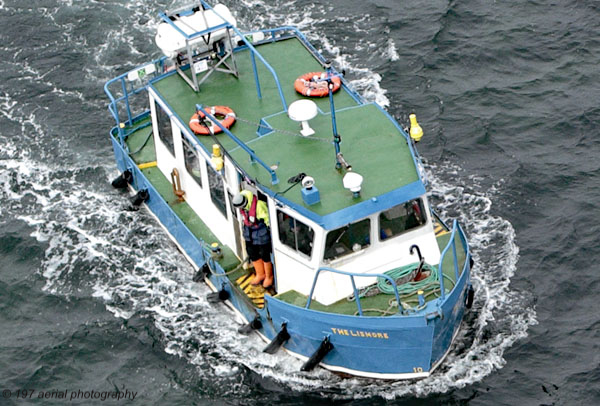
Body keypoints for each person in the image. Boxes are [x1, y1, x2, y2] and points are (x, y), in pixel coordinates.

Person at [232, 190, 274, 288]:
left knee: (265, 254)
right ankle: (260, 274)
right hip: (249, 231)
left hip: (261, 230)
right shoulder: (243, 208)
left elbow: (267, 218)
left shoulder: (259, 206)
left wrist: (269, 230)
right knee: (251, 252)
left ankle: (269, 276)